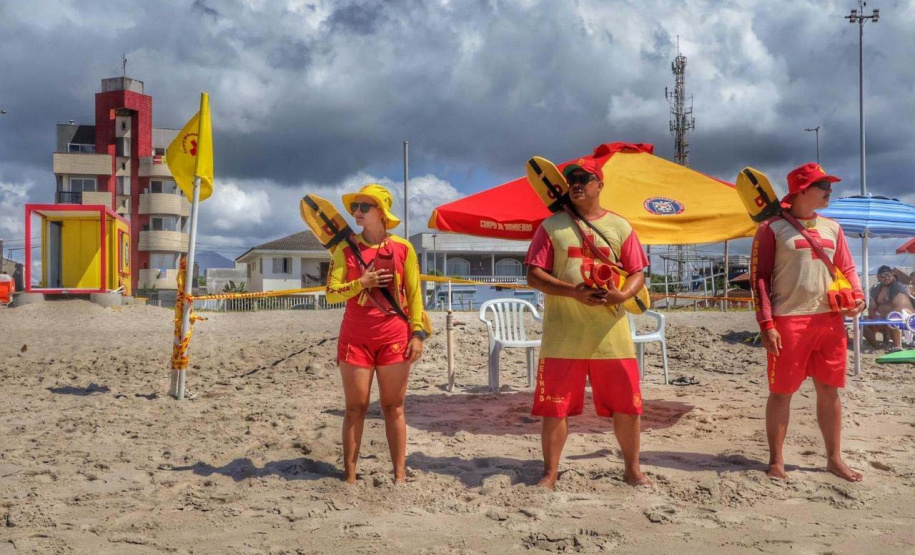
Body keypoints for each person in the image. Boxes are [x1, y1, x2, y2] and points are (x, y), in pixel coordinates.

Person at [525, 158, 651, 489]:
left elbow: (638, 272)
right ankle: (550, 473)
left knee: (628, 406)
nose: (576, 183)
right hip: (563, 336)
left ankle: (633, 470)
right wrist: (573, 292)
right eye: (571, 179)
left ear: (600, 184)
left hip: (612, 335)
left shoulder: (620, 227)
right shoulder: (551, 226)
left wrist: (623, 295)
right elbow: (534, 275)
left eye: (584, 177)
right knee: (555, 409)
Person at [751, 162, 866, 482]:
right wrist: (766, 323)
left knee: (830, 391)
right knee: (782, 392)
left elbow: (848, 267)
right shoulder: (771, 228)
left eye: (829, 186)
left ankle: (834, 458)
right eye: (823, 186)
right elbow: (759, 279)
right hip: (789, 320)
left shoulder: (833, 228)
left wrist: (858, 295)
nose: (830, 191)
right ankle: (776, 461)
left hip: (829, 320)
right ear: (801, 191)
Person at [325, 184, 426, 485]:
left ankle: (398, 475)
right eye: (355, 206)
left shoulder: (403, 248)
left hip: (394, 337)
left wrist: (418, 334)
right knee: (355, 407)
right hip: (355, 338)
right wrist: (362, 282)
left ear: (381, 212)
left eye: (364, 207)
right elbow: (331, 293)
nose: (356, 212)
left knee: (393, 407)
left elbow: (415, 294)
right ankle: (350, 476)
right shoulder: (344, 250)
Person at [863, 265, 914, 352]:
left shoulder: (898, 287)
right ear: (878, 277)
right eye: (883, 276)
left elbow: (900, 307)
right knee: (863, 321)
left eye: (889, 275)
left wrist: (885, 321)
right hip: (881, 320)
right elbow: (872, 307)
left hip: (903, 319)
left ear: (893, 275)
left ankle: (897, 346)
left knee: (894, 318)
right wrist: (875, 318)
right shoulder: (876, 289)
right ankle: (877, 346)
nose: (887, 278)